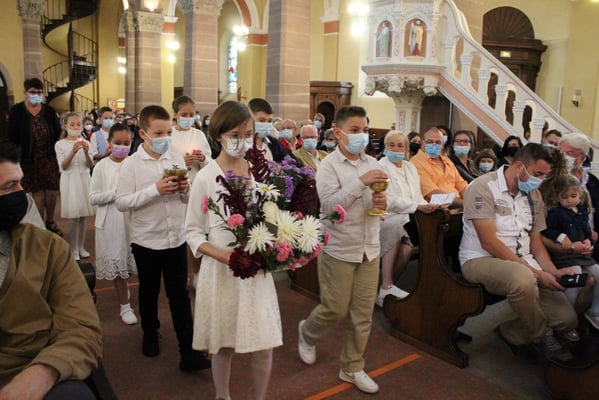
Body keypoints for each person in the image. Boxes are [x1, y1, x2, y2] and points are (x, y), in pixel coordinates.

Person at [185, 101, 282, 400]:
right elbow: (192, 232)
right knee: (224, 345)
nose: (242, 141)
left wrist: (274, 241)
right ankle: (222, 395)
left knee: (264, 345)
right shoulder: (206, 176)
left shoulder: (259, 173)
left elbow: (271, 216)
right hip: (222, 271)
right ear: (219, 135)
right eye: (235, 135)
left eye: (248, 134)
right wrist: (222, 255)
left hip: (256, 269)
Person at [0, 138, 102, 399]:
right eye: (9, 186)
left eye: (21, 183)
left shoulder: (47, 248)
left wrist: (42, 374)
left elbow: (80, 329)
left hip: (32, 367)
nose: (22, 194)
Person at [298, 106, 388, 394]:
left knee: (363, 314)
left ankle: (352, 366)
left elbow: (380, 199)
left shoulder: (373, 163)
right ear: (337, 133)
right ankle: (307, 332)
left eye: (365, 130)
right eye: (355, 130)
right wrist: (361, 182)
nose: (362, 135)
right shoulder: (328, 166)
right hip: (339, 246)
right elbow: (329, 207)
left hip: (369, 247)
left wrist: (382, 203)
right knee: (335, 308)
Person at [459, 143, 578, 362]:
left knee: (567, 319)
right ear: (519, 166)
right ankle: (542, 336)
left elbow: (536, 243)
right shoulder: (483, 187)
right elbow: (489, 242)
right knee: (523, 279)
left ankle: (511, 332)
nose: (540, 180)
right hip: (481, 259)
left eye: (544, 175)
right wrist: (536, 273)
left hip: (523, 260)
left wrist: (552, 272)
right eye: (538, 174)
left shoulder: (534, 195)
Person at [115, 105, 210, 371]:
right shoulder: (131, 165)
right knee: (149, 291)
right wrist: (155, 190)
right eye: (158, 133)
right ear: (143, 134)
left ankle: (188, 351)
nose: (165, 138)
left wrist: (185, 189)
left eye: (168, 132)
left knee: (179, 294)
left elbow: (187, 199)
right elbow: (122, 202)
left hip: (175, 237)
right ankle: (150, 332)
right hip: (146, 239)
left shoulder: (176, 158)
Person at [376, 131, 438, 307]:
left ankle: (386, 288)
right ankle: (387, 285)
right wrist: (417, 207)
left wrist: (426, 206)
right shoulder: (380, 166)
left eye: (400, 145)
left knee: (406, 250)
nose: (396, 149)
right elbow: (388, 200)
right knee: (396, 226)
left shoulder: (410, 167)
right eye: (391, 145)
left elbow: (417, 196)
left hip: (409, 214)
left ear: (406, 149)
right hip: (386, 216)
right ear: (385, 147)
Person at [89, 123, 138, 325]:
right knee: (117, 262)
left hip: (133, 220)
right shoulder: (102, 167)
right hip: (111, 221)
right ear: (109, 143)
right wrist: (115, 193)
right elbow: (93, 197)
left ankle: (126, 291)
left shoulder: (135, 163)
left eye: (126, 143)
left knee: (132, 260)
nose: (122, 147)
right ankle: (124, 305)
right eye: (118, 143)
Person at [541, 175, 599, 329]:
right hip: (565, 256)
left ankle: (595, 311)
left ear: (580, 194)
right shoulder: (556, 213)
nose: (569, 200)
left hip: (582, 254)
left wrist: (589, 242)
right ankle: (568, 312)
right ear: (558, 196)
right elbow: (548, 230)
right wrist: (562, 237)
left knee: (597, 272)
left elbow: (587, 231)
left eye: (573, 196)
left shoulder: (582, 210)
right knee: (575, 275)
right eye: (564, 197)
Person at [6, 78, 63, 236]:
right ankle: (40, 225)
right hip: (28, 159)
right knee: (37, 192)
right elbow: (11, 136)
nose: (36, 95)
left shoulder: (49, 111)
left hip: (49, 157)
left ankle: (50, 220)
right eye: (32, 92)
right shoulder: (17, 111)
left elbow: (57, 132)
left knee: (51, 190)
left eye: (39, 92)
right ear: (25, 93)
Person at [54, 112, 95, 261]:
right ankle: (74, 248)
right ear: (65, 126)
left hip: (84, 178)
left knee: (83, 216)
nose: (76, 127)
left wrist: (86, 153)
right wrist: (73, 151)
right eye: (72, 124)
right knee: (73, 217)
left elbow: (90, 165)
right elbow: (63, 166)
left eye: (78, 124)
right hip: (70, 180)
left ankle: (81, 246)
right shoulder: (60, 144)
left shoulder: (86, 142)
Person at [558, 132, 599, 262]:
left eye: (570, 153)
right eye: (561, 152)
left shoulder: (592, 181)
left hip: (592, 242)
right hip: (566, 244)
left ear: (582, 157)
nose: (564, 157)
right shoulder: (555, 181)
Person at [410, 127, 467, 207]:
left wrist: (472, 200)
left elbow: (462, 186)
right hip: (438, 209)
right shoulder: (415, 163)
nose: (434, 145)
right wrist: (465, 203)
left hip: (459, 206)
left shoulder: (447, 161)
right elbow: (432, 193)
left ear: (442, 145)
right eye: (429, 142)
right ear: (422, 143)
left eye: (438, 142)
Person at [170, 95, 211, 182]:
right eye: (184, 115)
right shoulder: (168, 135)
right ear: (175, 115)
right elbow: (161, 165)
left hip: (197, 181)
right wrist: (180, 163)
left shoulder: (199, 135)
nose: (188, 118)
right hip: (176, 182)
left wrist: (203, 159)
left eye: (191, 115)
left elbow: (209, 162)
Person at [248, 98, 287, 162]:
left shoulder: (274, 142)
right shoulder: (244, 145)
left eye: (269, 121)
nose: (266, 124)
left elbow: (289, 161)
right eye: (261, 120)